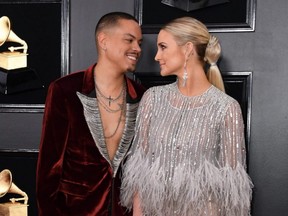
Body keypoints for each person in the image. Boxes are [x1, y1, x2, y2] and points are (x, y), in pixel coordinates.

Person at [120, 17, 253, 216]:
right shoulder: (152, 99)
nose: (157, 56)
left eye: (163, 47)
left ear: (188, 48)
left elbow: (232, 189)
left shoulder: (226, 108)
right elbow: (140, 174)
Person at [36, 12, 145, 216]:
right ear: (103, 41)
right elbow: (49, 170)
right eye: (129, 40)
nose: (137, 49)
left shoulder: (142, 96)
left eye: (139, 42)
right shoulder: (65, 90)